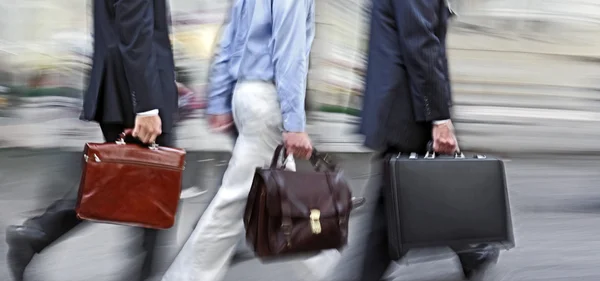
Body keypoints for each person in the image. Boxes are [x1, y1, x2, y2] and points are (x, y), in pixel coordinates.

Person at [321, 0, 500, 280]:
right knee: (406, 197)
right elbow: (420, 45)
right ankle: (471, 252)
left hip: (401, 104)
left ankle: (471, 253)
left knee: (407, 195)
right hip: (408, 108)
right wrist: (438, 117)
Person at [5, 0, 178, 280]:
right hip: (134, 90)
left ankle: (35, 235)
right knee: (154, 188)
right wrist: (146, 105)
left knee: (126, 186)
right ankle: (36, 234)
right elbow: (135, 29)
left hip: (128, 83)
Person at [160, 0, 315, 280]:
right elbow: (290, 53)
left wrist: (220, 99)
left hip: (246, 94)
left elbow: (227, 42)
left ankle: (318, 254)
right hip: (267, 97)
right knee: (233, 202)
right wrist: (295, 123)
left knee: (272, 195)